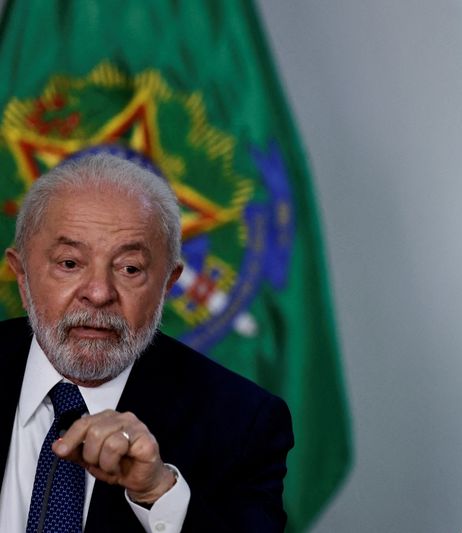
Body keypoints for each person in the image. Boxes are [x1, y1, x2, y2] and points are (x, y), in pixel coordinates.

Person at [0, 152, 293, 532]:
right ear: (22, 276)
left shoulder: (242, 422)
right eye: (70, 263)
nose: (99, 293)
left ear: (167, 285)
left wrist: (157, 491)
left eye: (130, 269)